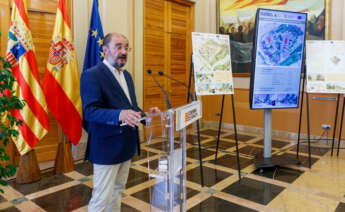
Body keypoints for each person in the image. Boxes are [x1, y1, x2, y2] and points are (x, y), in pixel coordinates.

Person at [80, 32, 159, 212]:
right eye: (118, 47)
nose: (124, 51)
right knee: (102, 197)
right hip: (106, 147)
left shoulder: (127, 76)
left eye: (126, 47)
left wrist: (146, 115)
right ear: (105, 50)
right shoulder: (92, 75)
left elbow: (130, 107)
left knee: (117, 191)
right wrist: (119, 115)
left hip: (126, 145)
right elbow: (90, 111)